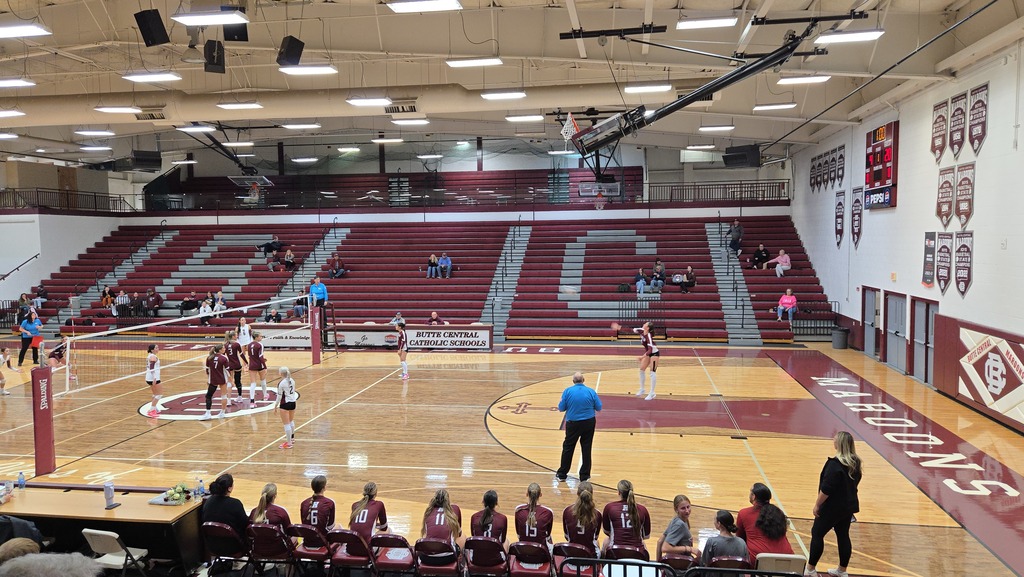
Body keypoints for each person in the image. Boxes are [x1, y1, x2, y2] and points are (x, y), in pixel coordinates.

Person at [805, 431, 862, 577]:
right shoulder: (855, 462)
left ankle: (810, 569)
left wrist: (817, 505)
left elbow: (826, 489)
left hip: (832, 507)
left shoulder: (834, 465)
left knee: (817, 534)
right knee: (843, 535)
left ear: (840, 444)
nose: (833, 440)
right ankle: (842, 571)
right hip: (847, 507)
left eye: (835, 439)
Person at [555, 372, 601, 482]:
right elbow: (599, 407)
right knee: (586, 447)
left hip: (573, 423)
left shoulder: (567, 391)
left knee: (568, 447)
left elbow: (561, 408)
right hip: (588, 422)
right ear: (583, 380)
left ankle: (562, 474)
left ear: (573, 381)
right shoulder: (591, 391)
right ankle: (584, 476)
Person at [736, 483, 793, 566]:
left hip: (760, 561)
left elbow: (740, 540)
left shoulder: (744, 513)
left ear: (754, 496)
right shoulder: (779, 512)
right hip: (787, 559)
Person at [601, 480, 651, 559]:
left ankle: (603, 568)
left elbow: (607, 531)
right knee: (643, 544)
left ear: (619, 492)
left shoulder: (609, 507)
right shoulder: (642, 509)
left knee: (606, 541)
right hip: (637, 554)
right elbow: (646, 536)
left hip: (615, 553)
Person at [203, 473, 249, 539]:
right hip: (234, 543)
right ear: (229, 488)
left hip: (212, 543)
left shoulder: (208, 501)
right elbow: (245, 524)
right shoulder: (235, 503)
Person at [562, 481, 602, 555]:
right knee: (598, 543)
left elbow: (566, 536)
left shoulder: (567, 511)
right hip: (590, 559)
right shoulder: (597, 514)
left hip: (571, 559)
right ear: (591, 494)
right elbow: (595, 537)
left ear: (577, 493)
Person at [656, 495, 697, 561]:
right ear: (676, 509)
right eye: (683, 508)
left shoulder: (676, 520)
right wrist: (689, 549)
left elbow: (660, 541)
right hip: (680, 564)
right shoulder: (679, 524)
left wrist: (659, 564)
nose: (687, 511)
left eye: (688, 507)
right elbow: (665, 548)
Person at [422, 488, 463, 553]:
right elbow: (459, 533)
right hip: (447, 557)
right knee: (463, 537)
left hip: (427, 557)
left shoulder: (428, 511)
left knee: (425, 535)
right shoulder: (454, 509)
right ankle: (460, 560)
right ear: (448, 500)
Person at [514, 483, 553, 549]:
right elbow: (548, 536)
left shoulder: (519, 509)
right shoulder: (548, 512)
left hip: (523, 551)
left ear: (527, 494)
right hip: (541, 552)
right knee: (550, 541)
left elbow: (518, 535)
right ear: (540, 495)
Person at [301, 475, 336, 547]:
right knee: (339, 527)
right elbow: (330, 526)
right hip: (322, 542)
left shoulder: (304, 503)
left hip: (307, 541)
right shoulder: (329, 503)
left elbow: (304, 523)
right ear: (324, 487)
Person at [201, 344, 230, 420]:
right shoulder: (224, 358)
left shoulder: (209, 357)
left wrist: (208, 379)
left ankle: (208, 413)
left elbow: (207, 370)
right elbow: (227, 371)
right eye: (223, 348)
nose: (225, 349)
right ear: (220, 350)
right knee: (224, 396)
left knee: (208, 396)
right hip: (222, 379)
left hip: (213, 380)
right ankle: (223, 413)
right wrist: (231, 380)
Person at [632, 322, 659, 400]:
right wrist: (619, 327)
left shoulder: (649, 336)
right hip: (648, 353)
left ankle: (652, 393)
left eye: (645, 324)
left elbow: (650, 350)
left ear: (647, 328)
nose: (643, 324)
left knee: (652, 372)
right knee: (642, 369)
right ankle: (642, 389)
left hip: (654, 353)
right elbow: (630, 330)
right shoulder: (641, 330)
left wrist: (642, 357)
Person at [224, 330, 248, 403]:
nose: (237, 336)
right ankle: (240, 396)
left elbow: (223, 356)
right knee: (238, 381)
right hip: (237, 364)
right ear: (233, 336)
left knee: (229, 381)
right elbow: (241, 354)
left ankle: (228, 400)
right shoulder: (236, 344)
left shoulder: (225, 345)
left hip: (229, 365)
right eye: (236, 335)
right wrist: (246, 362)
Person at [248, 332, 268, 402]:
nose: (261, 337)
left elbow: (250, 356)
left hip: (252, 365)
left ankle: (252, 401)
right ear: (256, 337)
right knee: (263, 380)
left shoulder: (249, 345)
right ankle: (265, 395)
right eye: (260, 336)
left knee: (253, 383)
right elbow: (260, 356)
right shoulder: (260, 345)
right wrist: (265, 367)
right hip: (259, 365)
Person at [144, 344, 162, 417]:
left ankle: (155, 408)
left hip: (149, 378)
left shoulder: (150, 355)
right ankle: (152, 410)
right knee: (159, 394)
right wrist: (154, 377)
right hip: (153, 378)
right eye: (156, 348)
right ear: (152, 350)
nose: (158, 349)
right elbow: (152, 367)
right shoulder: (152, 357)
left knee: (155, 394)